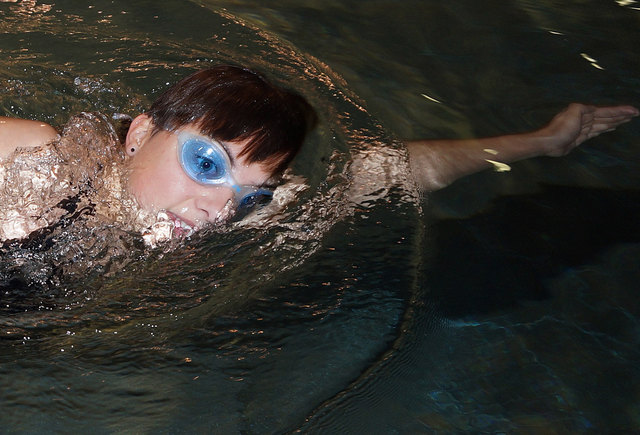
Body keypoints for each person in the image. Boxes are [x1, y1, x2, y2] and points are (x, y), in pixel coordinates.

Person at [0, 65, 637, 245]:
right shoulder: (39, 158)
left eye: (250, 193)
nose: (218, 208)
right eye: (207, 163)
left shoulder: (233, 218)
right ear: (139, 133)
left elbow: (384, 170)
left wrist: (542, 142)